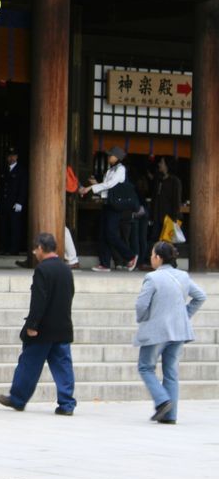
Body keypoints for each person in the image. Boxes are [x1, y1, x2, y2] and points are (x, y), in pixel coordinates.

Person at [0, 232, 76, 415]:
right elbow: (69, 295)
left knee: (29, 364)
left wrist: (32, 325)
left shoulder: (43, 270)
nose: (34, 252)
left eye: (35, 249)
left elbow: (39, 300)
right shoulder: (66, 269)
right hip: (62, 326)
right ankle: (67, 404)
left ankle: (18, 398)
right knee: (63, 366)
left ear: (41, 248)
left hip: (43, 329)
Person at [133, 241, 206, 425]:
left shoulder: (152, 278)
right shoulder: (183, 276)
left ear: (158, 257)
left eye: (152, 255)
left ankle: (162, 401)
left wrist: (143, 318)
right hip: (179, 331)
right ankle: (170, 415)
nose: (151, 258)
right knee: (171, 372)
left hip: (158, 330)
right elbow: (200, 296)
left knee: (145, 367)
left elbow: (141, 305)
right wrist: (185, 315)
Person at [78, 146, 138, 272]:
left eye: (110, 155)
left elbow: (110, 185)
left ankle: (130, 256)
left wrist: (90, 188)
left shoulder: (121, 169)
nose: (108, 157)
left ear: (117, 157)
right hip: (107, 204)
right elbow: (105, 190)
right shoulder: (109, 171)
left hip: (115, 206)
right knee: (103, 234)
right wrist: (95, 184)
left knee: (111, 233)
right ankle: (104, 263)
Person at [0, 146, 26, 255]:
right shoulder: (4, 169)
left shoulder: (21, 170)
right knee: (3, 226)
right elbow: (0, 187)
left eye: (13, 156)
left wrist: (20, 202)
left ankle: (14, 249)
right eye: (9, 156)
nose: (11, 158)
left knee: (14, 226)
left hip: (14, 203)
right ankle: (3, 247)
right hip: (4, 203)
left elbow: (23, 187)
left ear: (17, 157)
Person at [149, 157, 182, 247]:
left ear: (167, 166)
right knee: (155, 241)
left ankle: (171, 261)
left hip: (169, 218)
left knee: (168, 244)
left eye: (161, 163)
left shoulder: (175, 181)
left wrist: (174, 219)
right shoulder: (159, 179)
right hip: (157, 216)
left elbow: (176, 201)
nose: (159, 164)